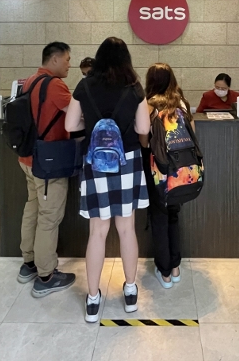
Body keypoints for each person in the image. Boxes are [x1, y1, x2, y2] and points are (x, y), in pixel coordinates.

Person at [65, 37, 150, 323]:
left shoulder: (84, 85)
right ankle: (129, 291)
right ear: (126, 59)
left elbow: (69, 124)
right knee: (126, 229)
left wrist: (91, 127)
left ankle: (92, 298)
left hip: (96, 163)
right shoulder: (135, 88)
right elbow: (143, 128)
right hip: (127, 162)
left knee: (97, 232)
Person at [15, 42, 77, 298]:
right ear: (53, 59)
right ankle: (46, 275)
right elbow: (76, 115)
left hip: (27, 158)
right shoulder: (54, 85)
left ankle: (28, 263)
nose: (69, 64)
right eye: (67, 59)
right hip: (49, 162)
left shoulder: (30, 80)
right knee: (49, 218)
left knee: (33, 208)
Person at [143, 63, 192, 289]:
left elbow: (144, 141)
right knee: (173, 214)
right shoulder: (181, 103)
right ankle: (175, 266)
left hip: (158, 171)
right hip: (181, 171)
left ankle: (164, 272)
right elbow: (193, 134)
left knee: (159, 217)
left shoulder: (149, 105)